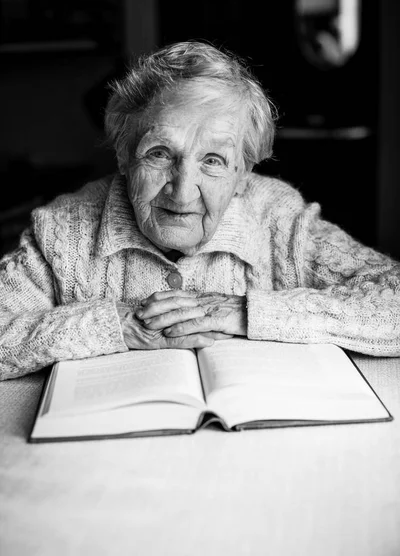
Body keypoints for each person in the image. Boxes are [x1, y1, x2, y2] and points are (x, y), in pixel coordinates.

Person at [1, 41, 399, 381]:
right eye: (159, 154)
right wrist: (114, 323)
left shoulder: (281, 223)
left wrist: (247, 311)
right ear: (124, 157)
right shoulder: (63, 230)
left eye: (213, 161)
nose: (182, 190)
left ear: (243, 174)